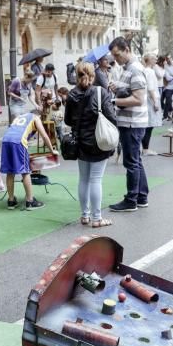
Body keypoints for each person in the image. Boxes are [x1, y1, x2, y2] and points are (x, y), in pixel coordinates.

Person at [65, 62, 118, 228]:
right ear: (93, 75)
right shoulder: (100, 92)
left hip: (80, 142)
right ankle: (97, 218)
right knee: (96, 179)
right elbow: (112, 117)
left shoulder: (72, 94)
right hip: (98, 142)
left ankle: (85, 215)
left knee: (84, 179)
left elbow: (67, 120)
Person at [107, 37, 150, 212]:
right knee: (136, 161)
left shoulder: (135, 70)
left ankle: (131, 199)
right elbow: (131, 91)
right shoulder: (129, 69)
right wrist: (118, 87)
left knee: (131, 162)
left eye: (117, 55)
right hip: (132, 122)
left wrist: (114, 101)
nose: (116, 59)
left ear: (127, 49)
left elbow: (138, 99)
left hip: (133, 122)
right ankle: (141, 196)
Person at [0, 109, 56, 210]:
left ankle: (11, 201)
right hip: (18, 142)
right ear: (39, 115)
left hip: (6, 140)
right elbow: (44, 136)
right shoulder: (35, 118)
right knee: (25, 172)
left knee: (10, 172)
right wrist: (52, 151)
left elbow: (16, 131)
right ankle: (30, 201)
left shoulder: (19, 117)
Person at [141, 54, 163, 155]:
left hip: (148, 99)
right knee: (149, 125)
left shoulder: (146, 70)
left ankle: (144, 148)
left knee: (148, 125)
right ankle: (145, 148)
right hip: (151, 100)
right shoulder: (149, 71)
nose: (156, 60)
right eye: (154, 59)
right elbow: (150, 88)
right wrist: (155, 102)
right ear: (149, 60)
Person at [162, 55, 173, 121]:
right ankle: (165, 115)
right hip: (168, 87)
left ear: (172, 58)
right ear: (166, 60)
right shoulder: (165, 66)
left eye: (170, 58)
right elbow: (168, 78)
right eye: (167, 59)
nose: (169, 60)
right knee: (168, 101)